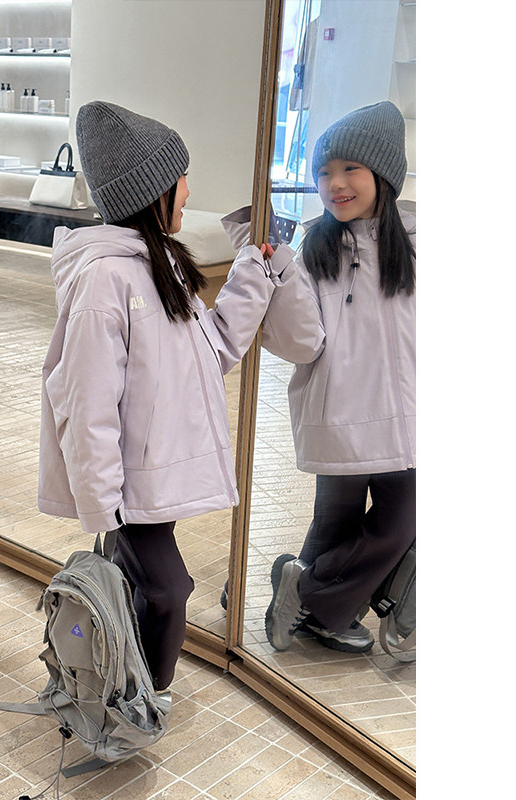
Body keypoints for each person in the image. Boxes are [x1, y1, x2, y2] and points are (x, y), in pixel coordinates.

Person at [37, 101, 296, 691]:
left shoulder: (160, 266)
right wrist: (103, 504)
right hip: (129, 485)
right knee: (167, 589)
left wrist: (253, 273)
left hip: (155, 477)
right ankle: (142, 702)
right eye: (181, 178)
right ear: (152, 191)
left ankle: (117, 688)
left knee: (143, 588)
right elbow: (86, 404)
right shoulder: (105, 280)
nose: (188, 190)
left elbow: (214, 351)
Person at [261, 100, 416, 654]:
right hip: (340, 412)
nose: (335, 184)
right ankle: (322, 610)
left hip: (406, 414)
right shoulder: (315, 251)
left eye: (350, 168)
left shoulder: (417, 243)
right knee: (337, 527)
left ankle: (304, 595)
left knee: (401, 519)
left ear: (384, 174)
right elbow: (301, 344)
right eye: (324, 172)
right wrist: (277, 273)